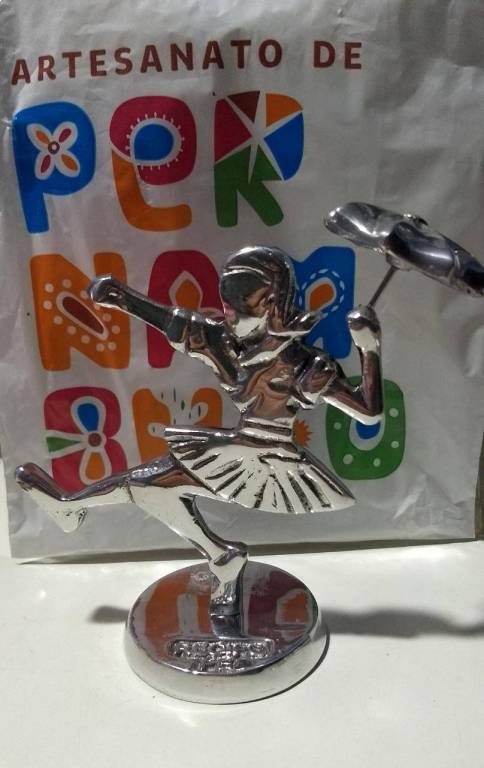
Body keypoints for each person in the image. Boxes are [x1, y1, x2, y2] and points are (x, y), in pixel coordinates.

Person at [16, 246, 383, 612]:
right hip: (236, 447)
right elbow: (177, 322)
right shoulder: (225, 342)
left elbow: (368, 413)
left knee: (149, 485)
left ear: (270, 304)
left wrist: (369, 350)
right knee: (150, 486)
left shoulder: (305, 365)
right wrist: (123, 298)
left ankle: (76, 507)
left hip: (268, 461)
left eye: (239, 307)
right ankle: (217, 555)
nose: (230, 316)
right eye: (226, 305)